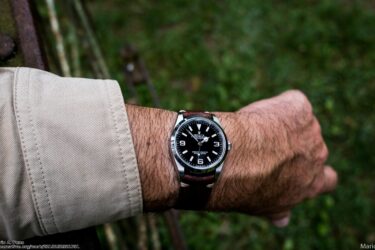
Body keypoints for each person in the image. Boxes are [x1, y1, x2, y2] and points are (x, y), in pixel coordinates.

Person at [0, 67, 337, 240]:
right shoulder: (198, 140)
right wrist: (244, 151)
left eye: (222, 147)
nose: (214, 146)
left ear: (225, 145)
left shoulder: (197, 136)